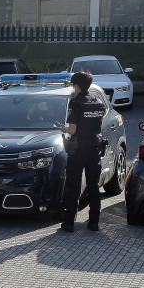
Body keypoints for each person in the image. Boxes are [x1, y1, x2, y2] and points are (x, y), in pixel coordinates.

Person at [60, 71, 106, 233]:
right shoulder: (97, 100)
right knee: (93, 186)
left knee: (73, 185)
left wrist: (64, 128)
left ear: (77, 85)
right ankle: (94, 223)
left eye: (73, 84)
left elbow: (72, 130)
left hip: (78, 150)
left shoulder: (76, 103)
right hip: (94, 149)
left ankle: (69, 223)